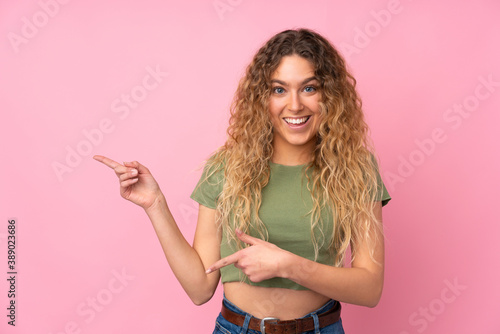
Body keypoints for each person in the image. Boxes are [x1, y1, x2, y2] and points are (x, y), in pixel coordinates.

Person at [94, 28, 391, 334]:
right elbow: (199, 289)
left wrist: (287, 265)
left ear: (329, 94)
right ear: (262, 97)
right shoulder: (226, 167)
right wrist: (156, 205)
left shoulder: (356, 169)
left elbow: (369, 289)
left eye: (309, 88)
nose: (294, 105)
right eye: (279, 89)